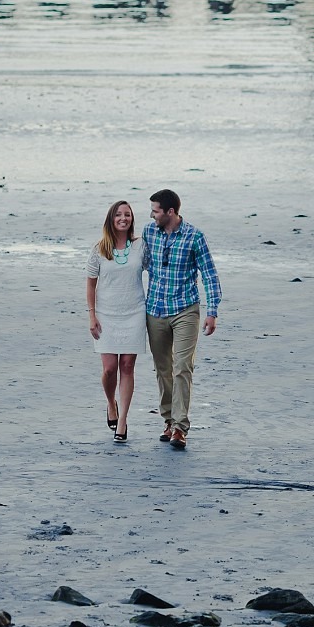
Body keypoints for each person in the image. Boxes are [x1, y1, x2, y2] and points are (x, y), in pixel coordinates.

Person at [143, 189, 221, 450]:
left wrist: (212, 311)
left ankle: (180, 427)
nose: (152, 215)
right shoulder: (148, 233)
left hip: (186, 309)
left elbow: (209, 274)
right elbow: (135, 264)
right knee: (163, 369)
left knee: (182, 367)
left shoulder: (194, 236)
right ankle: (168, 420)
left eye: (155, 211)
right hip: (155, 310)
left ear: (170, 212)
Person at [86, 200, 147, 443]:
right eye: (119, 215)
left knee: (128, 367)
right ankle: (111, 403)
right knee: (110, 369)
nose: (123, 218)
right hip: (107, 315)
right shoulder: (99, 249)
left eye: (128, 215)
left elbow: (158, 271)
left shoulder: (141, 246)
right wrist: (91, 314)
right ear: (111, 219)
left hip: (135, 313)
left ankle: (122, 421)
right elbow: (91, 284)